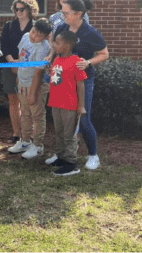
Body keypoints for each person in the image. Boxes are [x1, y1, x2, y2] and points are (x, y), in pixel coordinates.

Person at [47, 0, 109, 170]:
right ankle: (63, 154)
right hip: (62, 81)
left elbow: (104, 54)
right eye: (62, 11)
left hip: (83, 80)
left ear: (78, 14)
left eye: (66, 13)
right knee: (61, 120)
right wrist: (51, 61)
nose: (62, 15)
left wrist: (88, 62)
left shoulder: (90, 32)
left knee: (83, 118)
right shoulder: (61, 27)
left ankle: (93, 155)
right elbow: (57, 48)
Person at [8, 18, 53, 159]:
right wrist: (19, 77)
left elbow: (38, 73)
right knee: (25, 114)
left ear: (46, 37)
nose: (34, 36)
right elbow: (22, 58)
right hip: (23, 83)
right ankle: (25, 141)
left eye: (38, 35)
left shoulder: (43, 48)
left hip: (36, 86)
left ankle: (38, 146)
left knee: (37, 116)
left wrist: (33, 93)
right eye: (33, 32)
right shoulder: (26, 36)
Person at [46, 30, 87, 176]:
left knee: (69, 135)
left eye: (57, 42)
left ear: (68, 45)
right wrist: (49, 71)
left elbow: (81, 84)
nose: (54, 45)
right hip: (56, 103)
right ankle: (62, 157)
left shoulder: (76, 61)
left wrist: (81, 105)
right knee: (60, 132)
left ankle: (72, 163)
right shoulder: (57, 59)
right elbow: (57, 77)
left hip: (69, 105)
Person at [0, 0, 39, 143]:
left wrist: (22, 64)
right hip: (11, 66)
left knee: (30, 101)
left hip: (30, 69)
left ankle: (30, 135)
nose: (19, 12)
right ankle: (16, 133)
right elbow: (4, 45)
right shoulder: (9, 25)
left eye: (22, 9)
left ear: (30, 10)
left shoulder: (37, 26)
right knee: (13, 100)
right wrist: (12, 62)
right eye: (16, 9)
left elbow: (39, 47)